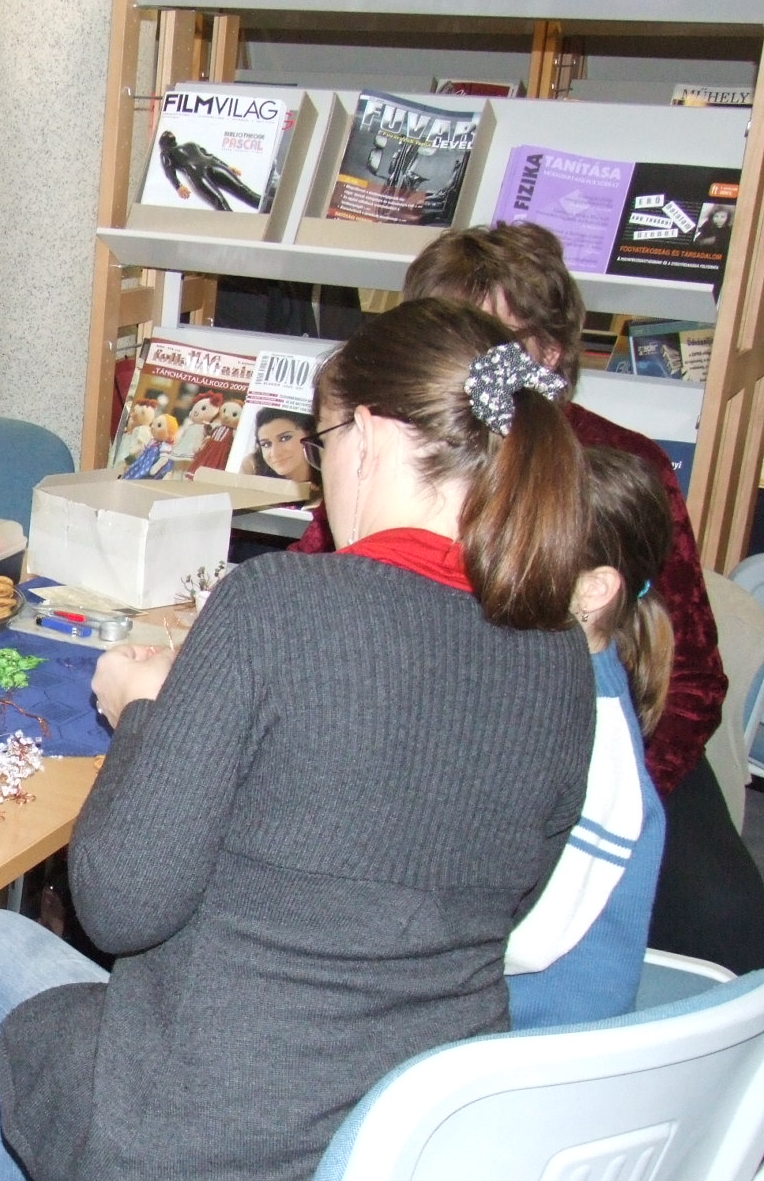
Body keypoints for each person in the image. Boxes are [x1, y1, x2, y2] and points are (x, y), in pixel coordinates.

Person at [0, 300, 594, 1181]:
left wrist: (145, 714)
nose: (315, 472)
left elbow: (118, 907)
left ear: (368, 436)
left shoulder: (276, 604)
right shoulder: (557, 656)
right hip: (407, 1154)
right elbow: (497, 890)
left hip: (204, 1139)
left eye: (320, 439)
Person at [295, 221, 764, 976]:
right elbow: (316, 577)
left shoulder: (620, 464)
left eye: (491, 339)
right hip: (423, 741)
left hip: (612, 743)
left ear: (547, 352)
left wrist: (595, 802)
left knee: (728, 925)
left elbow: (691, 681)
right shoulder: (396, 455)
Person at [506, 447, 672, 1029]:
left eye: (518, 545)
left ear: (594, 590)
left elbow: (527, 942)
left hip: (529, 1042)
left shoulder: (597, 748)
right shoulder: (545, 689)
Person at [242, 405, 315, 483]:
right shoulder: (252, 466)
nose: (275, 453)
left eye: (284, 438)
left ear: (308, 434)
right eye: (266, 444)